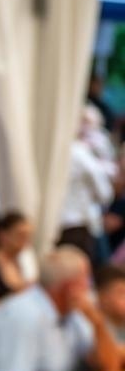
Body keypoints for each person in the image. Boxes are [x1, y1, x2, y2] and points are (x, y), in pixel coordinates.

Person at [59, 108, 118, 264]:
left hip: (61, 220)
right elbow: (104, 193)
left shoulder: (62, 148)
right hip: (78, 223)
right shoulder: (79, 152)